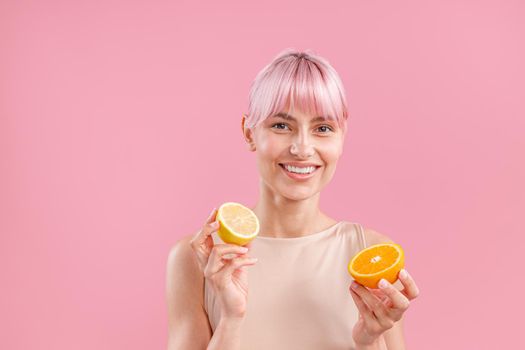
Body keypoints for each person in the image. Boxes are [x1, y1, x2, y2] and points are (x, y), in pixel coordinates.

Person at [166, 49, 420, 350]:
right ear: (249, 132)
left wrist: (369, 341)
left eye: (322, 128)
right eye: (281, 126)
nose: (302, 148)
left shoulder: (373, 255)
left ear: (342, 136)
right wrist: (231, 320)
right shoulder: (197, 258)